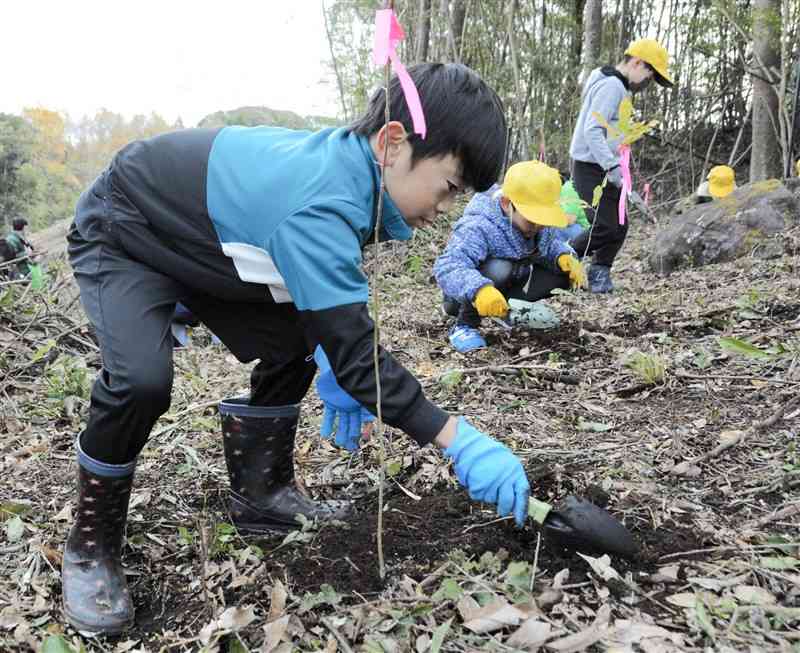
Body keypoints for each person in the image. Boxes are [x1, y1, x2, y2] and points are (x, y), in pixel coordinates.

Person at [62, 63, 531, 635]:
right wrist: (459, 440)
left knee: (302, 340)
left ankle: (262, 494)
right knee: (140, 380)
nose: (445, 208)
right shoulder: (321, 201)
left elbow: (331, 315)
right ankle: (91, 546)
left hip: (209, 243)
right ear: (392, 142)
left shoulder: (355, 174)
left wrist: (332, 348)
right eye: (449, 187)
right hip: (128, 231)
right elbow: (359, 355)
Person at [434, 161, 587, 354]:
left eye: (543, 220)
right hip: (465, 295)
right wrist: (480, 290)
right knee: (499, 268)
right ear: (507, 204)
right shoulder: (479, 225)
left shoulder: (537, 227)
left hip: (507, 286)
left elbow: (549, 246)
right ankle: (464, 326)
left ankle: (505, 312)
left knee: (562, 273)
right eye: (532, 219)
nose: (538, 226)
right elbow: (448, 265)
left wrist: (563, 256)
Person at [568, 38, 674, 293]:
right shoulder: (613, 86)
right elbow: (592, 131)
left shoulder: (612, 83)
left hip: (604, 164)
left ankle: (599, 274)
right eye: (649, 72)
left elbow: (607, 128)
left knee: (621, 223)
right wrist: (611, 166)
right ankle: (560, 257)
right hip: (590, 165)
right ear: (637, 62)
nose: (648, 81)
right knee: (604, 225)